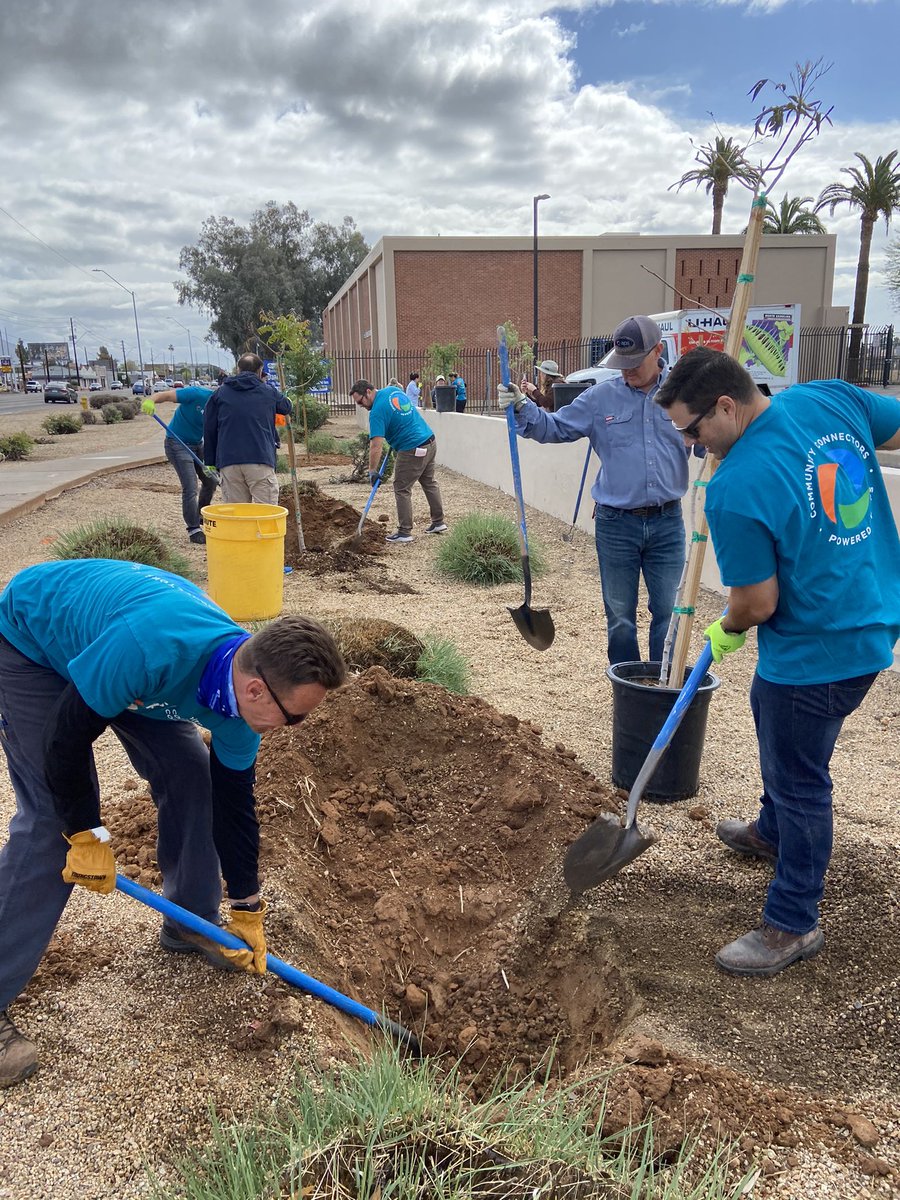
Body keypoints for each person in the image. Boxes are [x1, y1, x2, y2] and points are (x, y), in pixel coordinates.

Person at [0, 559, 346, 1087]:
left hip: (127, 667)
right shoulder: (150, 647)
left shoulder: (241, 708)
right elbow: (65, 742)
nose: (296, 728)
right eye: (295, 716)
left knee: (195, 778)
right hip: (36, 643)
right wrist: (85, 833)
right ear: (256, 689)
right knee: (51, 822)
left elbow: (234, 806)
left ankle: (191, 922)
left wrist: (247, 907)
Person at [657, 347, 900, 978]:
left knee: (800, 778)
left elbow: (757, 603)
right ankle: (770, 830)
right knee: (778, 729)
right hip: (872, 619)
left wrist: (728, 625)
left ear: (727, 406)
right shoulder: (829, 399)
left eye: (692, 430)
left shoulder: (734, 487)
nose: (691, 445)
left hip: (814, 652)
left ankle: (793, 921)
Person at [501, 315, 701, 665]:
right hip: (616, 525)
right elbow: (553, 428)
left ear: (658, 351)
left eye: (635, 363)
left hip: (668, 523)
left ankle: (662, 687)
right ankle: (629, 691)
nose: (627, 371)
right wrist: (522, 406)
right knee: (620, 617)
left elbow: (710, 441)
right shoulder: (600, 399)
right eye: (621, 363)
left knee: (669, 614)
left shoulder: (685, 394)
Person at [349, 379, 447, 543]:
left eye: (361, 401)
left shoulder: (376, 412)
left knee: (401, 488)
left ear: (368, 391)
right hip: (429, 440)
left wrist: (372, 471)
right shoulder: (391, 391)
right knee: (429, 482)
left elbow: (376, 445)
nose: (361, 406)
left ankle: (404, 531)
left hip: (411, 448)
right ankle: (438, 522)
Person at [203, 353, 292, 504]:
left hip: (229, 462)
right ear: (260, 370)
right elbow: (286, 406)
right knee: (266, 514)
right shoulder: (268, 391)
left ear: (238, 369)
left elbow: (209, 428)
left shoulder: (219, 394)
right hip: (260, 459)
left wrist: (210, 461)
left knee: (238, 516)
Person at [148, 385, 218, 545]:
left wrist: (213, 461)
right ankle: (194, 530)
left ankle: (200, 515)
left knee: (211, 480)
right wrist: (151, 401)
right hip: (176, 442)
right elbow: (164, 395)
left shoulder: (222, 407)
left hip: (197, 444)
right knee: (190, 486)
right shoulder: (195, 394)